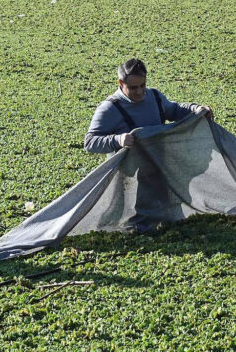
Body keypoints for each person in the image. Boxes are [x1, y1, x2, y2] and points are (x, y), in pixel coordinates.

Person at [84, 58, 213, 232]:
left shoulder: (154, 97)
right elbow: (90, 142)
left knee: (168, 214)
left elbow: (174, 110)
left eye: (142, 85)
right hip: (130, 176)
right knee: (127, 221)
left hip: (160, 166)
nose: (139, 92)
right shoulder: (109, 109)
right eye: (133, 88)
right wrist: (118, 140)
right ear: (121, 83)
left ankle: (167, 222)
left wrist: (195, 109)